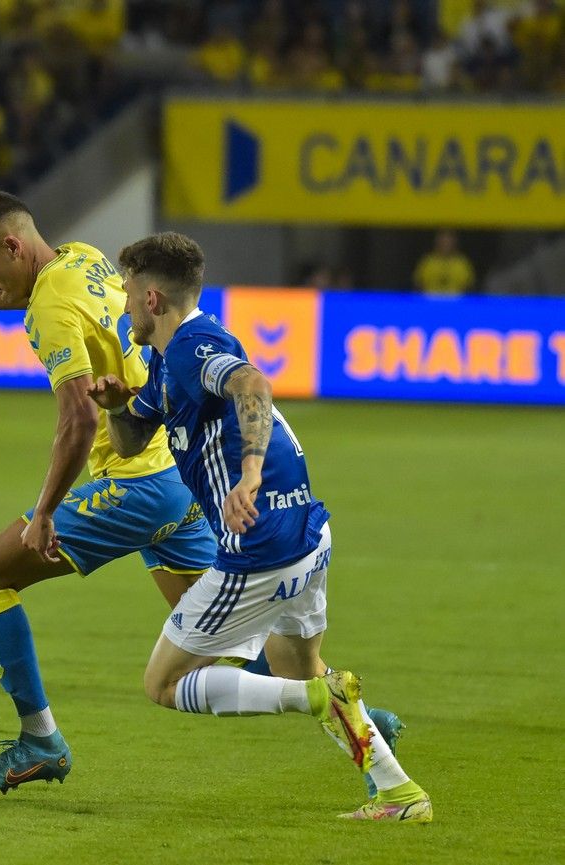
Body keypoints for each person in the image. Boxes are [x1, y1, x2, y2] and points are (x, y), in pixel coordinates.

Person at [87, 231, 431, 822]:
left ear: (151, 299)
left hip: (258, 548)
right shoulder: (165, 359)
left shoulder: (196, 346)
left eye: (126, 293)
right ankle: (401, 793)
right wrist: (117, 403)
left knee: (165, 685)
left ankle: (315, 698)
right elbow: (130, 439)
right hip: (306, 534)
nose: (121, 305)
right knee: (300, 662)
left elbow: (251, 383)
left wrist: (247, 474)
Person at [0, 191, 218, 792]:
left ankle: (40, 740)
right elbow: (22, 290)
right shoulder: (83, 258)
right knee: (221, 647)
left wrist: (43, 513)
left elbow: (80, 420)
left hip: (135, 486)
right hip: (178, 475)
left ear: (12, 246)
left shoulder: (50, 310)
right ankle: (348, 711)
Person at [413, 229, 475, 297]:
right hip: (430, 305)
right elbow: (418, 285)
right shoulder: (427, 262)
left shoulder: (462, 263)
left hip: (456, 305)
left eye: (448, 240)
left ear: (455, 241)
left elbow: (469, 288)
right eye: (442, 239)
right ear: (437, 241)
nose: (445, 242)